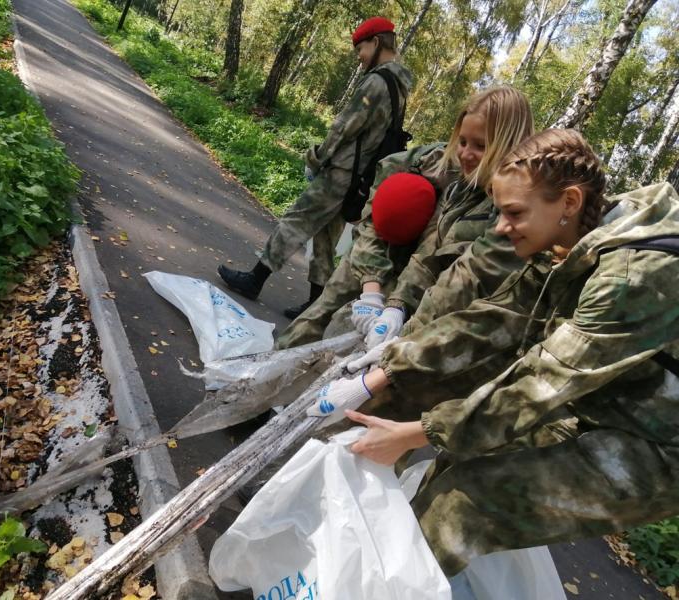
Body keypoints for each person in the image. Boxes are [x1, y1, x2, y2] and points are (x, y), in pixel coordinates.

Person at [308, 128, 679, 577]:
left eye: (514, 213)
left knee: (466, 504)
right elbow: (494, 318)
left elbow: (541, 383)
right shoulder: (577, 237)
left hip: (657, 449)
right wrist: (390, 361)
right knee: (452, 465)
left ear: (569, 202)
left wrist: (413, 432)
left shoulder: (631, 276)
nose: (501, 227)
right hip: (596, 407)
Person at [275, 85, 532, 349]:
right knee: (313, 324)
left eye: (481, 146)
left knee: (352, 361)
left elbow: (451, 269)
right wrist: (371, 289)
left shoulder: (506, 213)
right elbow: (375, 221)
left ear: (507, 145)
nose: (465, 154)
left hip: (425, 302)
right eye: (463, 141)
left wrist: (397, 307)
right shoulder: (430, 162)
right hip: (372, 259)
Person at [218, 17, 413, 318]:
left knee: (295, 220)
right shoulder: (400, 88)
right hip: (359, 178)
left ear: (376, 43)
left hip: (341, 171)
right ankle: (314, 305)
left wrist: (317, 157)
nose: (359, 57)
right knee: (324, 238)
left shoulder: (376, 82)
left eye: (361, 49)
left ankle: (254, 279)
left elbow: (345, 126)